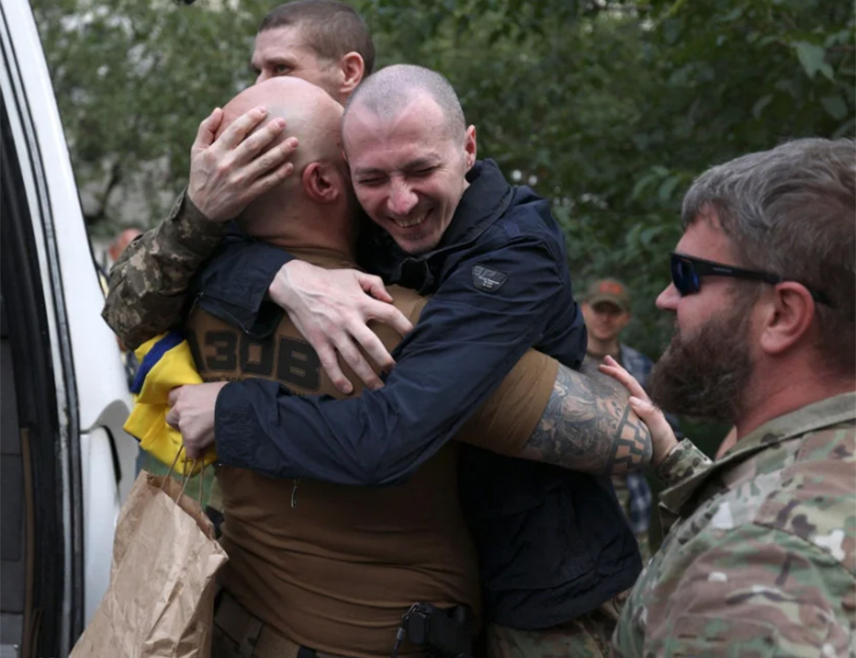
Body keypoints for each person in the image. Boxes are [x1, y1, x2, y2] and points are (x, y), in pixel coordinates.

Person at [104, 7, 642, 653]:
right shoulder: (316, 245)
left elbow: (622, 436)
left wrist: (234, 410)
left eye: (280, 69)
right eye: (375, 180)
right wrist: (278, 272)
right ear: (339, 179)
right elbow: (132, 303)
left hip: (542, 584)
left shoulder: (497, 255)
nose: (401, 200)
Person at [599, 137, 855, 657]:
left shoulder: (752, 567)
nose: (665, 299)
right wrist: (673, 458)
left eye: (686, 276)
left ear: (782, 315)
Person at [581, 278, 682, 561]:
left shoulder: (641, 367)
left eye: (613, 311)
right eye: (598, 308)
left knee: (636, 583)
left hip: (630, 502)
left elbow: (671, 434)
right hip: (575, 498)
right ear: (582, 309)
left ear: (626, 317)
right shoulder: (564, 360)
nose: (605, 317)